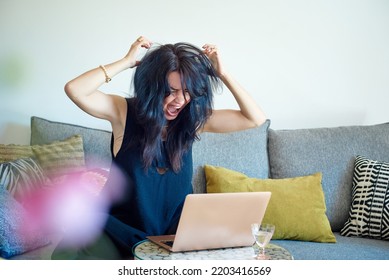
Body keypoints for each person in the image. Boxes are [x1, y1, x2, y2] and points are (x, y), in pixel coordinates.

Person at [52, 36, 266, 259]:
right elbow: (75, 89)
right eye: (171, 90)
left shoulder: (193, 121)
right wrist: (126, 62)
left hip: (173, 239)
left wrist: (223, 74)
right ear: (153, 87)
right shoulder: (123, 113)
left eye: (186, 91)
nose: (180, 101)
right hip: (118, 235)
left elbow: (254, 119)